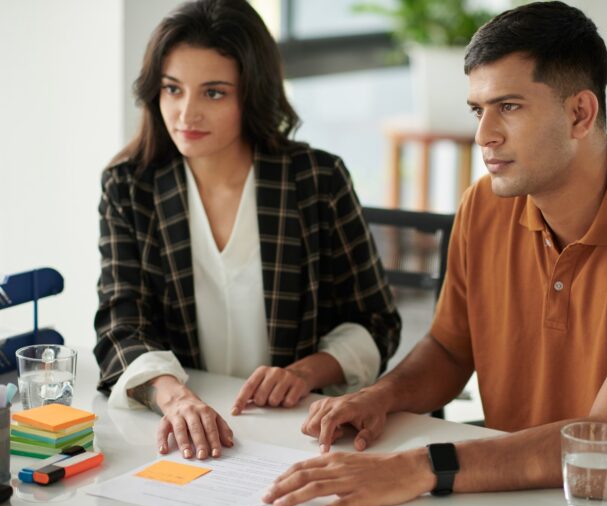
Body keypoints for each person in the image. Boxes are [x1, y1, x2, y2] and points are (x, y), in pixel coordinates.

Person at [262, 2, 607, 506]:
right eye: (478, 109)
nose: (483, 135)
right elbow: (451, 351)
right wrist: (379, 396)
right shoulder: (485, 205)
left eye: (509, 107)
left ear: (580, 113)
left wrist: (418, 467)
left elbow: (606, 445)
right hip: (505, 492)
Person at [93, 0, 400, 462]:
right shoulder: (128, 186)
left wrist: (306, 371)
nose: (185, 113)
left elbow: (378, 322)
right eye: (172, 89)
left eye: (213, 93)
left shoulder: (316, 180)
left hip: (300, 430)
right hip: (183, 436)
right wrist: (173, 397)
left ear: (251, 94)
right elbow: (120, 322)